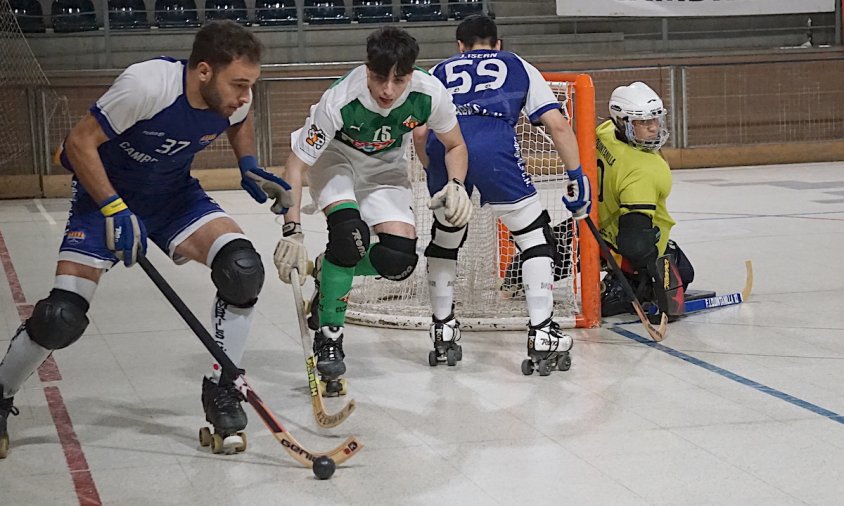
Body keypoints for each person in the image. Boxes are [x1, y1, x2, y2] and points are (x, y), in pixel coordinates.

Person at [0, 20, 292, 457]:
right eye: (239, 83)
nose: (245, 96)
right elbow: (77, 145)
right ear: (204, 71)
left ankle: (221, 388)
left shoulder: (231, 99)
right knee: (61, 317)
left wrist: (246, 161)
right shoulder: (147, 84)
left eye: (251, 85)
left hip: (174, 198)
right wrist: (115, 208)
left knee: (242, 270)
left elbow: (240, 118)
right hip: (105, 199)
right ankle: (2, 392)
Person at [273, 26, 470, 393]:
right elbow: (296, 166)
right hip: (335, 159)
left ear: (412, 72)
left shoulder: (430, 94)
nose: (388, 90)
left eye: (399, 79)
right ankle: (330, 337)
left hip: (385, 166)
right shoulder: (340, 100)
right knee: (350, 238)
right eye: (380, 77)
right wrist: (293, 230)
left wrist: (456, 185)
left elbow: (455, 145)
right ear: (367, 68)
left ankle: (328, 270)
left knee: (399, 260)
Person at [413, 14, 590, 373]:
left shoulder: (438, 70)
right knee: (534, 236)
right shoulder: (516, 64)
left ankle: (443, 328)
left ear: (458, 46)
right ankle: (542, 331)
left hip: (442, 146)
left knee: (446, 238)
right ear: (498, 43)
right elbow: (557, 124)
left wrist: (434, 170)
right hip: (493, 143)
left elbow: (418, 133)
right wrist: (576, 175)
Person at [596, 81, 694, 321]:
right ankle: (628, 283)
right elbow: (636, 245)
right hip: (623, 247)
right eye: (643, 122)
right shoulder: (644, 169)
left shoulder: (605, 133)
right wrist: (659, 280)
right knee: (685, 271)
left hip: (596, 236)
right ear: (623, 122)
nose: (653, 129)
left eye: (655, 120)